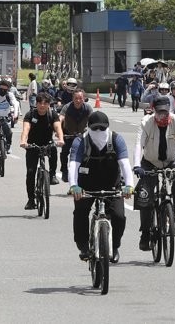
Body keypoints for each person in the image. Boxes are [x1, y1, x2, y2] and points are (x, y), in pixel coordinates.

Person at [68, 111, 133, 263]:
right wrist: (74, 186)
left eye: (102, 129)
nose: (99, 132)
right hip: (86, 184)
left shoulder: (116, 139)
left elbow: (125, 164)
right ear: (88, 127)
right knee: (80, 213)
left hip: (111, 184)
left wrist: (129, 185)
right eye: (95, 128)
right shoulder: (80, 141)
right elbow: (73, 165)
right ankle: (83, 246)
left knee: (119, 216)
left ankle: (115, 246)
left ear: (108, 128)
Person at [132, 98, 175, 251]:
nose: (162, 115)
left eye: (165, 112)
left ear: (169, 111)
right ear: (154, 111)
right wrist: (136, 165)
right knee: (145, 196)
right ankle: (145, 234)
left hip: (170, 160)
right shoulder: (146, 122)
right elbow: (138, 145)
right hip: (149, 161)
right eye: (159, 112)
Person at [20, 92, 65, 209]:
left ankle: (52, 174)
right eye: (40, 103)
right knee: (30, 173)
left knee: (54, 149)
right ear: (36, 103)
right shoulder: (30, 114)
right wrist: (23, 142)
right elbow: (26, 129)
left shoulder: (52, 114)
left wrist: (60, 139)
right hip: (32, 145)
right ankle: (31, 200)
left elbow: (58, 128)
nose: (42, 106)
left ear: (49, 105)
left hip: (47, 144)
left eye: (45, 103)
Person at [59, 90, 93, 182]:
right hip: (68, 134)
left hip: (82, 135)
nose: (78, 101)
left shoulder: (88, 108)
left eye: (80, 98)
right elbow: (60, 118)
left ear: (84, 99)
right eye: (76, 98)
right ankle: (64, 171)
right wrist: (59, 132)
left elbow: (93, 121)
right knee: (64, 152)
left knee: (88, 154)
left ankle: (85, 172)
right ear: (72, 99)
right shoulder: (67, 107)